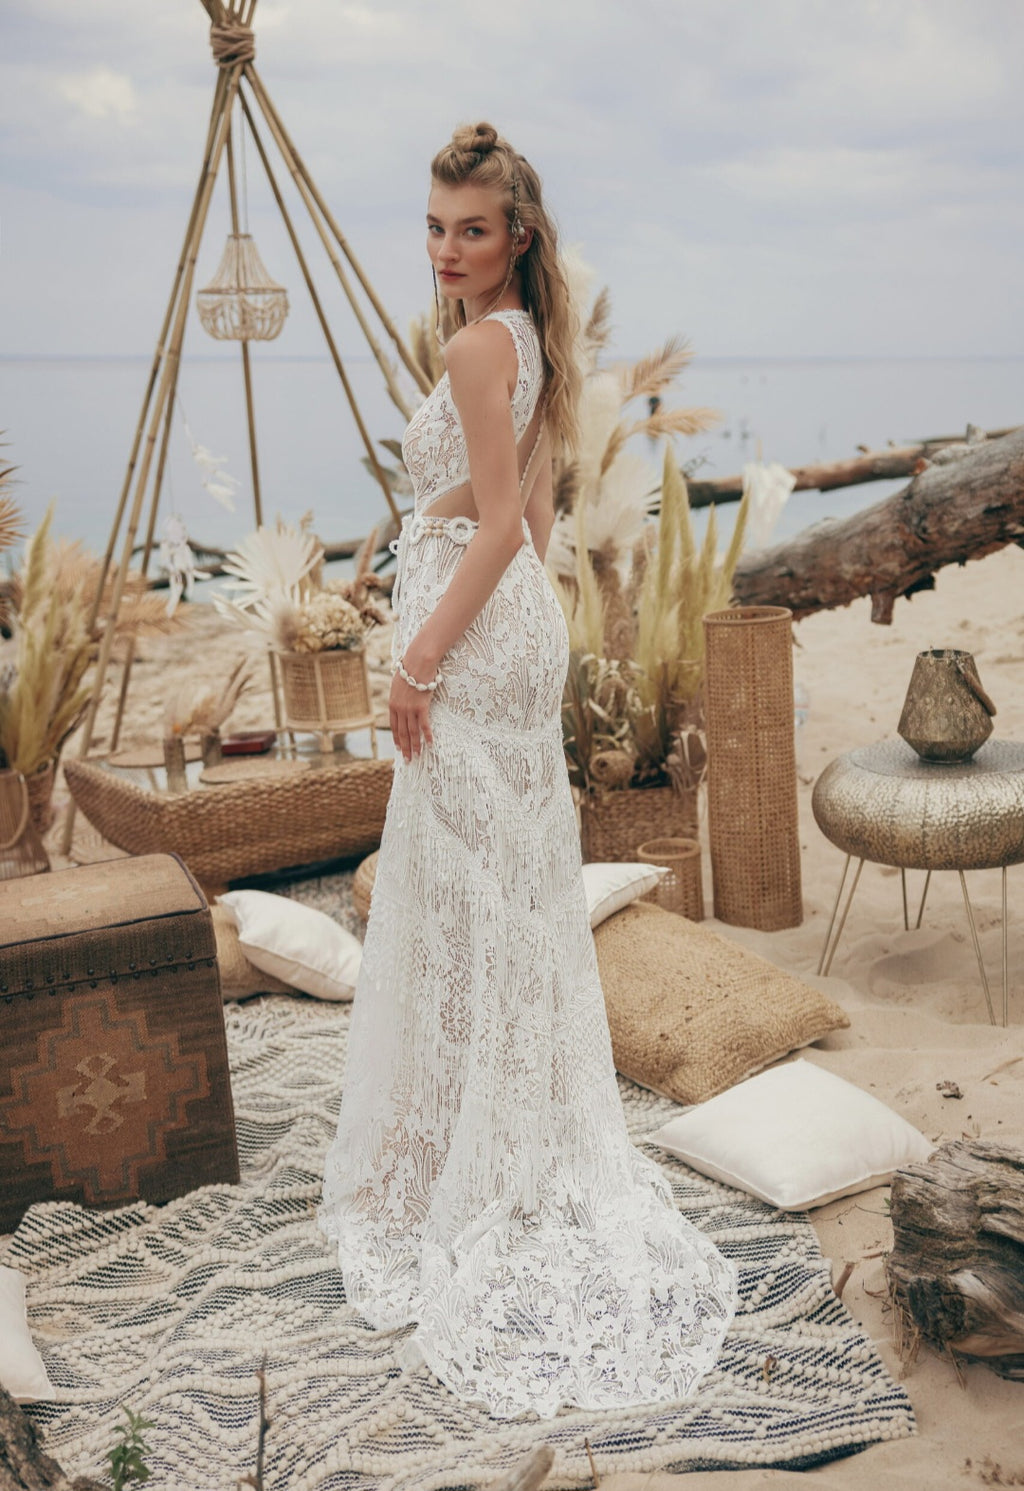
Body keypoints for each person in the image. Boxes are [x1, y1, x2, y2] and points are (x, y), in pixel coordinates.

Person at [316, 121, 736, 1421]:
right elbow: (535, 519)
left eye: (472, 230)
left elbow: (502, 526)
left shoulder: (476, 343)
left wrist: (416, 660)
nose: (447, 251)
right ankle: (482, 1135)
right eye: (436, 227)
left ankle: (464, 1157)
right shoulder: (537, 340)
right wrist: (433, 548)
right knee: (495, 897)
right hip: (514, 637)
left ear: (519, 236)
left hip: (472, 647)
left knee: (465, 895)